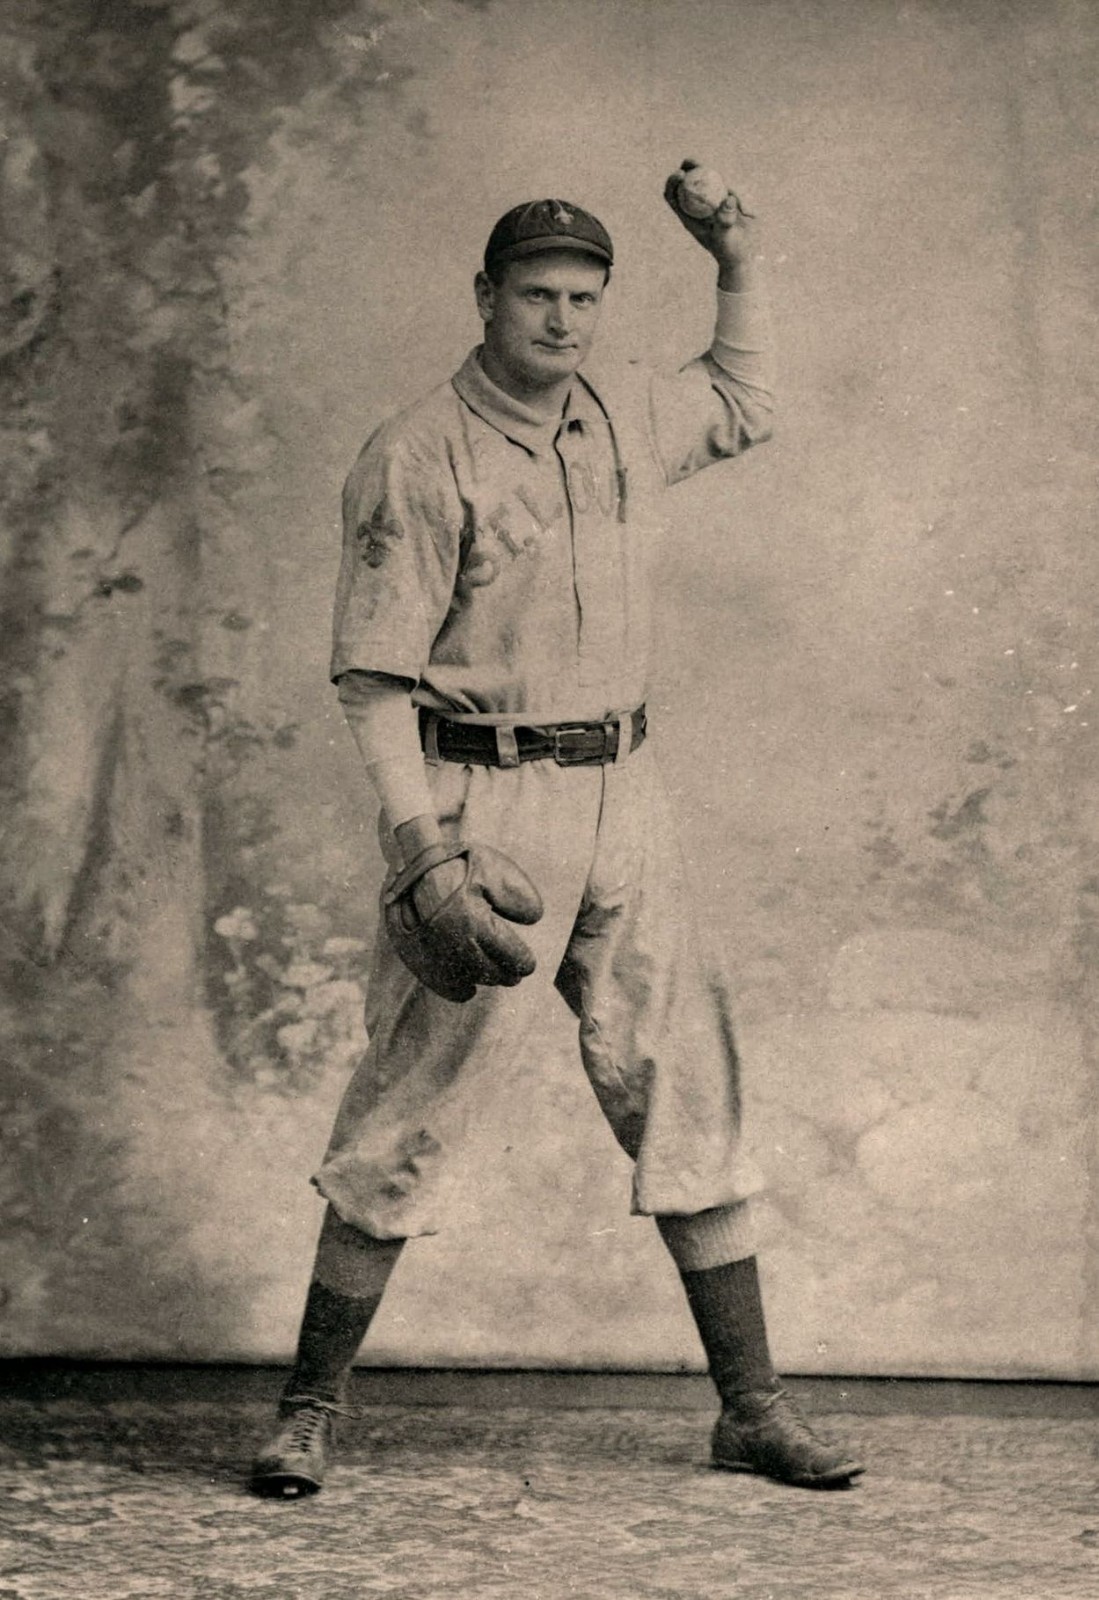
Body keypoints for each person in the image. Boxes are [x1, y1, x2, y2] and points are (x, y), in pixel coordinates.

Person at [250, 164, 863, 1497]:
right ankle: (306, 1408)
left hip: (625, 793)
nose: (564, 319)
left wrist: (738, 258)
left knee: (686, 1083)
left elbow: (745, 398)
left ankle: (752, 1409)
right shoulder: (417, 452)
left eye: (585, 297)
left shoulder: (624, 408)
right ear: (486, 297)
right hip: (488, 805)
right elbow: (373, 682)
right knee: (409, 1106)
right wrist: (422, 847)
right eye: (538, 295)